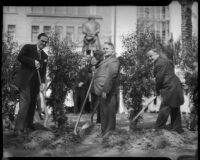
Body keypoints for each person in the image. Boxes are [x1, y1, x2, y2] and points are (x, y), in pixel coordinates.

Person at [14, 33, 48, 135]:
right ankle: (18, 129)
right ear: (37, 39)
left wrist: (42, 83)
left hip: (35, 84)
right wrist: (33, 62)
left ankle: (28, 125)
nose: (44, 43)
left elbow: (43, 72)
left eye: (46, 42)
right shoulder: (28, 48)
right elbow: (20, 57)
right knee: (25, 103)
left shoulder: (45, 56)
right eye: (42, 41)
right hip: (25, 81)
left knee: (33, 104)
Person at [146, 48, 184, 134]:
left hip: (170, 88)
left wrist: (157, 91)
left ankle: (158, 128)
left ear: (156, 54)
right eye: (148, 57)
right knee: (174, 107)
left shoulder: (159, 63)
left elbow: (159, 79)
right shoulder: (164, 61)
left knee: (165, 107)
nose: (150, 58)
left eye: (151, 56)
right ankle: (177, 128)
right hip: (174, 86)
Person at [92, 42, 120, 137]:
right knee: (104, 113)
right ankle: (104, 133)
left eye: (107, 48)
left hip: (109, 92)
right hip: (102, 91)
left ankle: (109, 134)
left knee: (109, 113)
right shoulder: (106, 60)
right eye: (104, 48)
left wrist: (105, 90)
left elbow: (111, 76)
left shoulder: (113, 61)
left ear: (112, 50)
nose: (105, 50)